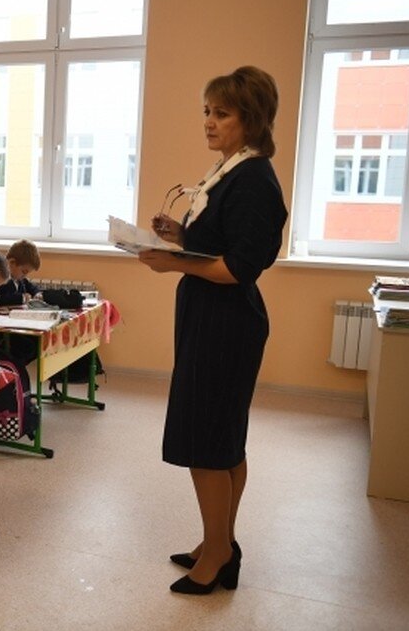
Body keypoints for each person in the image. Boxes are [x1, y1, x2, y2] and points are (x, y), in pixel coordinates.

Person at [138, 66, 288, 595]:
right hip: (212, 316)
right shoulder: (231, 171)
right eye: (207, 111)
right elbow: (221, 243)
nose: (208, 122)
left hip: (226, 323)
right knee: (224, 439)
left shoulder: (253, 180)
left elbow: (238, 267)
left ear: (251, 119)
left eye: (221, 113)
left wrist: (172, 263)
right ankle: (218, 540)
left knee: (208, 442)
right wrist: (181, 236)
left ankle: (220, 554)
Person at [0, 239, 42, 307]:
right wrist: (21, 298)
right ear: (12, 262)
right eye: (24, 271)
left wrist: (37, 293)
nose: (25, 275)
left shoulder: (20, 280)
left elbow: (32, 287)